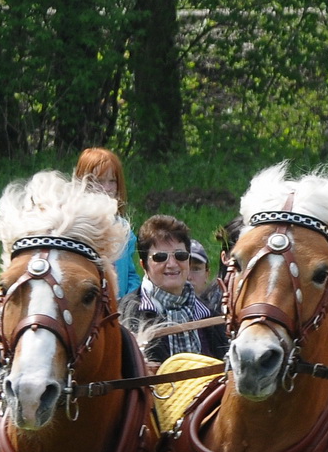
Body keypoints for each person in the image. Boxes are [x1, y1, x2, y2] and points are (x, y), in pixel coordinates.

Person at [121, 215, 228, 363]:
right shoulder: (124, 317)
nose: (172, 264)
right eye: (160, 257)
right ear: (143, 265)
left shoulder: (211, 317)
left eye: (180, 255)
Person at [75, 148, 141, 298]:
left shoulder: (123, 228)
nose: (107, 188)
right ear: (82, 183)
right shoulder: (75, 229)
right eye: (99, 181)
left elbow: (130, 274)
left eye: (112, 181)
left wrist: (130, 301)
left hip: (120, 312)